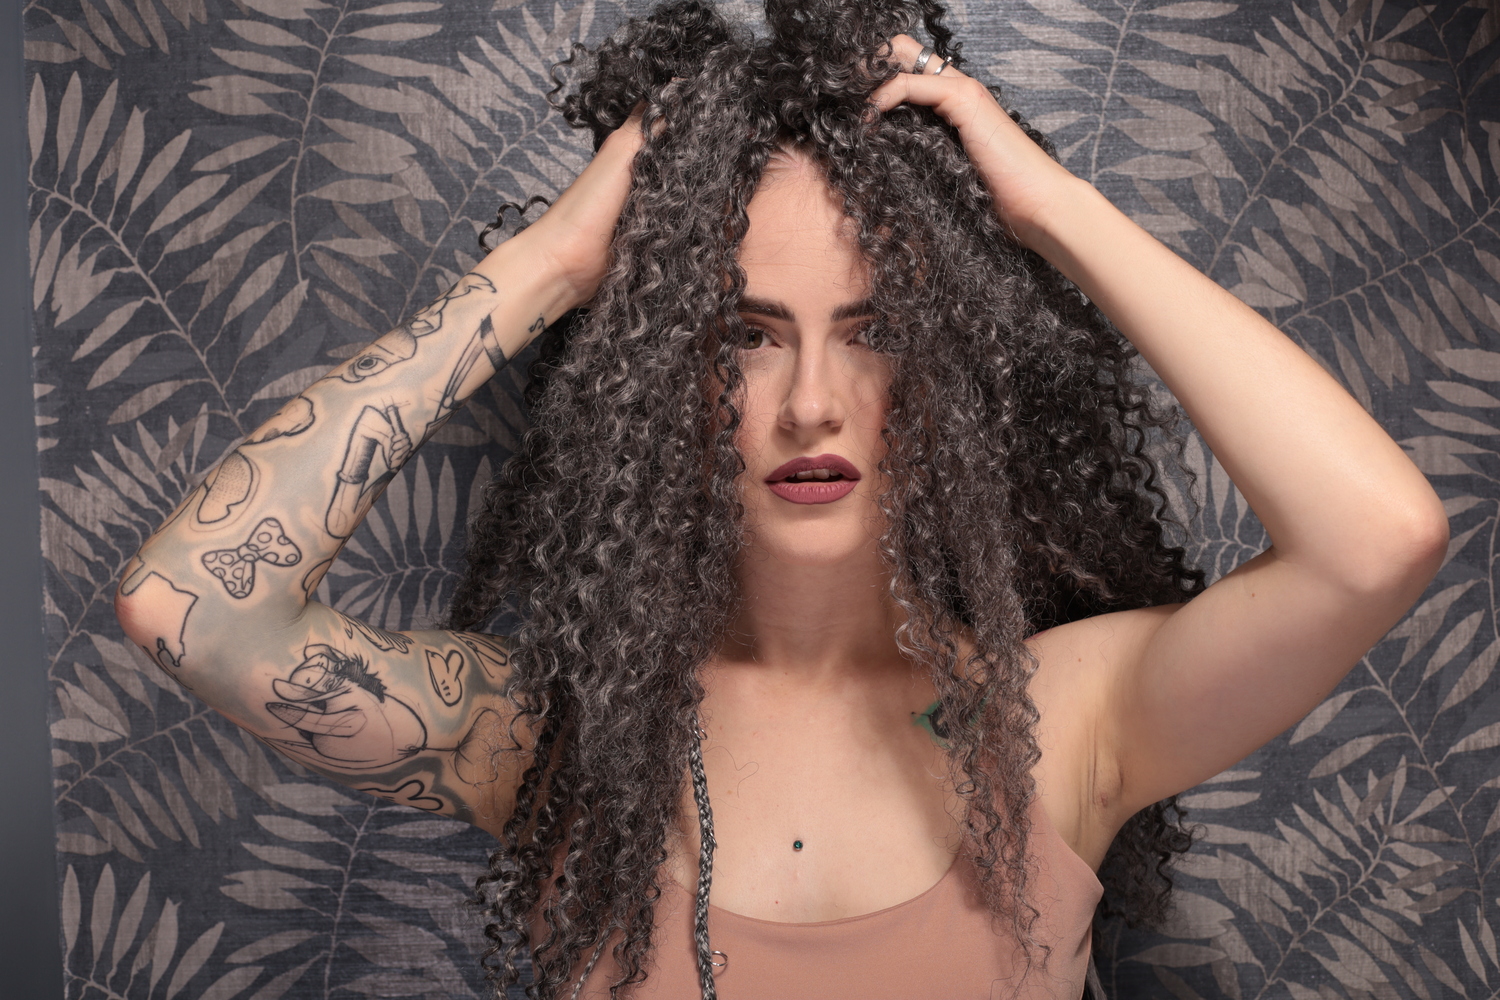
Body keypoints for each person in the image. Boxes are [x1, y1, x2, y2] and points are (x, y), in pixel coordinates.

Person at [114, 1, 1448, 997]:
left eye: (877, 332)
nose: (813, 400)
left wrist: (1048, 211)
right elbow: (193, 610)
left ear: (947, 365)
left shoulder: (1063, 718)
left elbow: (1377, 540)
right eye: (744, 336)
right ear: (660, 378)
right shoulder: (560, 741)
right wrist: (557, 263)